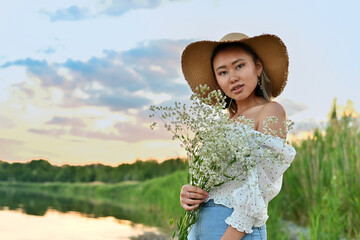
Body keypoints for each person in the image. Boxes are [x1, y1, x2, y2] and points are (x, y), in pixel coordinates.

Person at [179, 33, 296, 240]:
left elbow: (262, 187)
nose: (232, 77)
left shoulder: (270, 111)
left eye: (239, 66)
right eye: (222, 72)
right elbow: (212, 185)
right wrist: (189, 194)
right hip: (199, 227)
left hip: (237, 231)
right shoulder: (221, 125)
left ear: (258, 67)